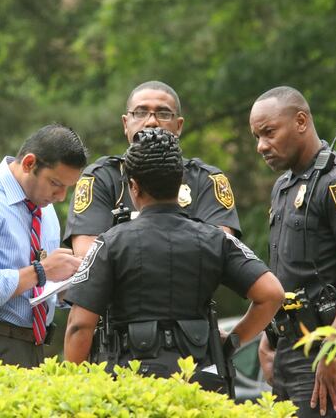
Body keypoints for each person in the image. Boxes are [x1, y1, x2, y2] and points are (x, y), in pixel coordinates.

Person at [63, 128, 284, 394]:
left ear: (133, 186)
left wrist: (75, 391)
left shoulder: (109, 243)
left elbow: (79, 326)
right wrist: (234, 340)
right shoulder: (215, 239)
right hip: (200, 388)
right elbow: (272, 293)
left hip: (130, 388)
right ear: (181, 182)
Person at [250, 86, 336, 417]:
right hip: (289, 347)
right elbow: (288, 273)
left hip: (329, 349)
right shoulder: (284, 186)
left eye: (268, 132)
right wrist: (271, 335)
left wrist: (334, 347)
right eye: (257, 136)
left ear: (300, 121)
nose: (261, 146)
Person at [0, 124, 88, 368]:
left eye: (67, 187)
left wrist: (70, 282)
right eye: (55, 183)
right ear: (29, 163)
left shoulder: (45, 209)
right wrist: (41, 271)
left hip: (37, 348)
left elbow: (40, 289)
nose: (61, 196)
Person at [64, 80, 241, 259]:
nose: (151, 122)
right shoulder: (101, 178)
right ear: (126, 124)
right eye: (140, 113)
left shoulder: (207, 180)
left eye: (163, 113)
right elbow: (87, 256)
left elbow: (219, 252)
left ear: (179, 126)